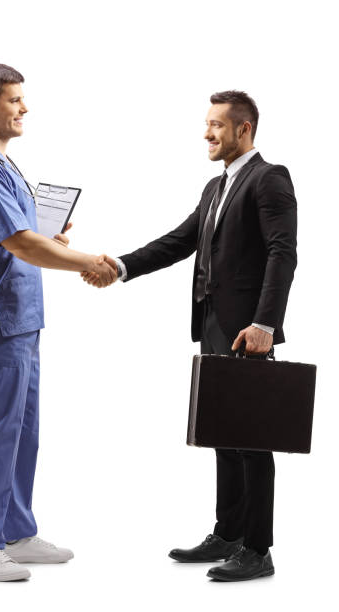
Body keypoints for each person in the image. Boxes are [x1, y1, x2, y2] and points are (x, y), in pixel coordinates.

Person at [82, 90, 297, 581]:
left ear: (243, 129)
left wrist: (266, 323)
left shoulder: (269, 179)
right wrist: (120, 266)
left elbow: (283, 252)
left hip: (247, 328)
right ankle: (228, 533)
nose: (207, 133)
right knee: (224, 432)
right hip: (213, 323)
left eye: (216, 125)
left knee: (253, 437)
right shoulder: (214, 187)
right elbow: (181, 240)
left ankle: (258, 549)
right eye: (207, 124)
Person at [0, 63, 116, 582]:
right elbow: (20, 243)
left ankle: (15, 533)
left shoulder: (5, 164)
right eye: (15, 100)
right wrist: (89, 260)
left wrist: (54, 242)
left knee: (22, 431)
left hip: (22, 318)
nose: (24, 108)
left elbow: (26, 235)